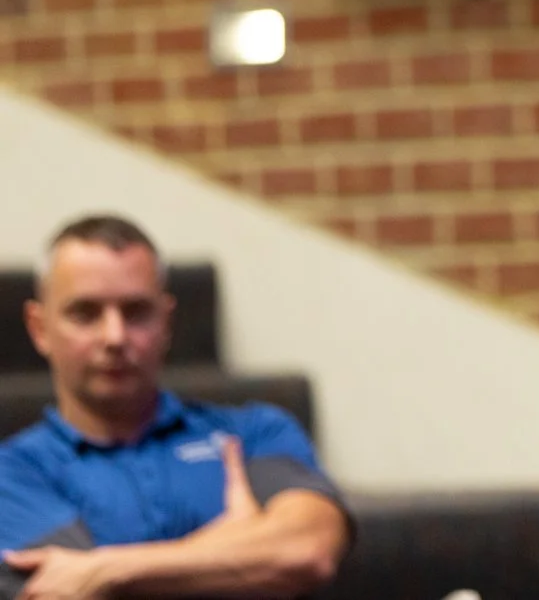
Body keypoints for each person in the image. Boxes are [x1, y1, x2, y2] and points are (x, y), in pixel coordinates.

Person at [0, 215, 351, 599]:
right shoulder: (12, 474)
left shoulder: (256, 433)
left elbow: (306, 552)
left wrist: (103, 570)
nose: (114, 337)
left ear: (166, 321)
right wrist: (239, 552)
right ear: (39, 328)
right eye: (85, 313)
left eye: (136, 312)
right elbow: (60, 591)